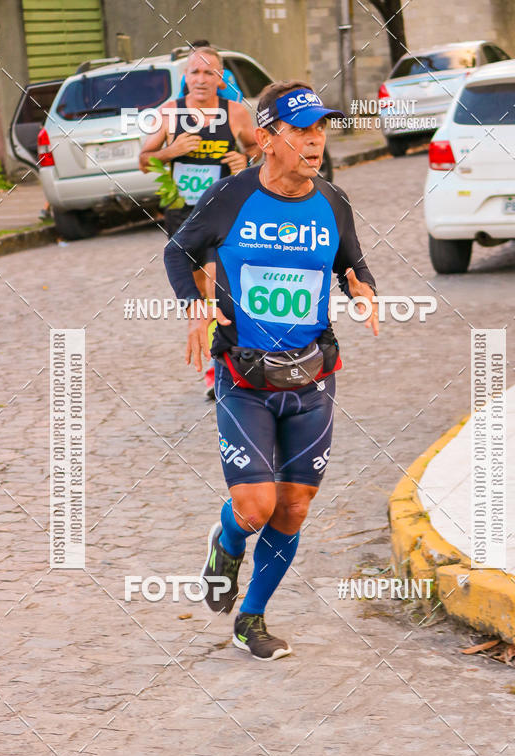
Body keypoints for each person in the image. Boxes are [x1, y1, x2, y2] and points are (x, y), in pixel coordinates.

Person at [164, 80, 379, 660]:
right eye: (301, 131)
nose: (315, 143)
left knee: (294, 507)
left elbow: (351, 260)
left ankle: (250, 619)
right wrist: (196, 305)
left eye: (321, 130)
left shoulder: (333, 201)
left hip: (312, 375)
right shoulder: (229, 199)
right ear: (266, 138)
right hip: (243, 376)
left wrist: (363, 288)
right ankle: (226, 542)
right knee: (255, 508)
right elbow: (177, 251)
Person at [138, 44, 259, 238]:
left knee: (220, 267)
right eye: (195, 72)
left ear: (220, 78)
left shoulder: (236, 112)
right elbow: (144, 163)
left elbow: (255, 147)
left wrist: (246, 159)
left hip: (225, 207)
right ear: (185, 76)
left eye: (209, 73)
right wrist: (171, 151)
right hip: (181, 212)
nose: (201, 80)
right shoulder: (168, 112)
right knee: (188, 268)